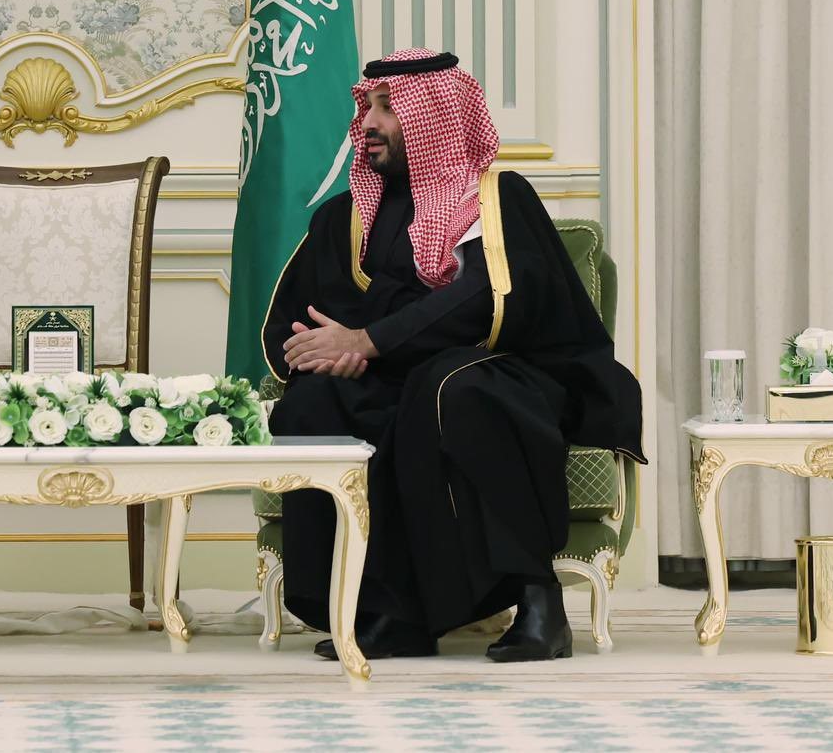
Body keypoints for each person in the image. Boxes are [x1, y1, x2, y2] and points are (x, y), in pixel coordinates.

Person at [263, 48, 643, 663]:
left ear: (433, 116)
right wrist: (329, 353)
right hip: (391, 377)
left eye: (388, 109)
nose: (368, 124)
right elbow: (298, 318)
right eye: (367, 108)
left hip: (505, 371)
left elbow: (485, 299)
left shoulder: (496, 200)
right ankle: (386, 612)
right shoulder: (344, 218)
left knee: (453, 388)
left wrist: (368, 340)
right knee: (314, 402)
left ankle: (540, 602)